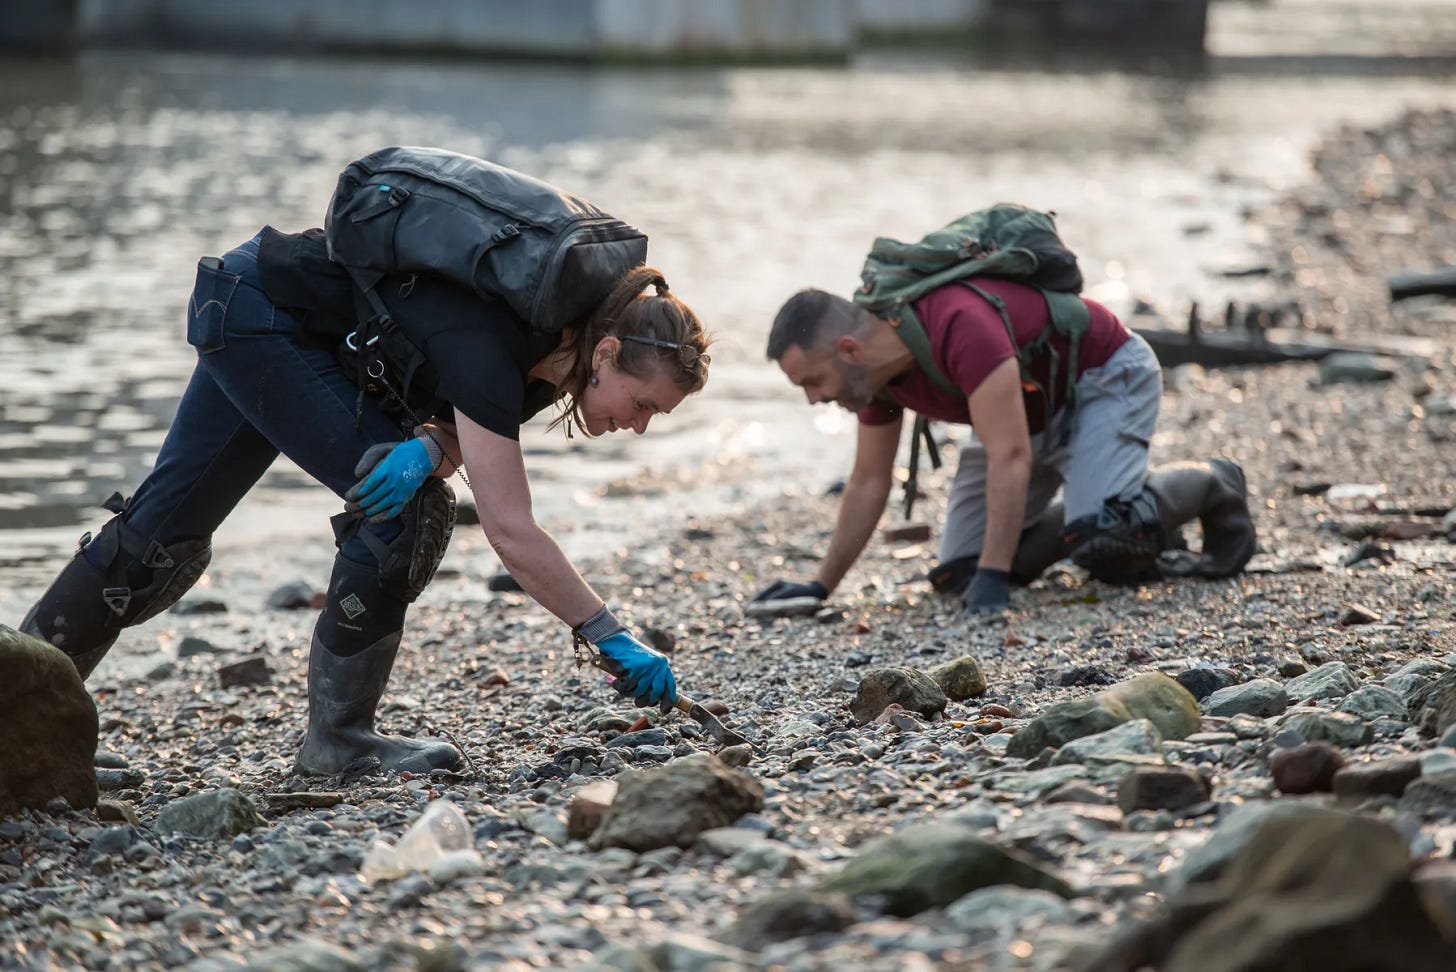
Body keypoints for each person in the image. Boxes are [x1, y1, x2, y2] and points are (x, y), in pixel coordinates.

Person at [20, 182, 711, 777]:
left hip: (252, 300)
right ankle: (339, 744)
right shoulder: (507, 344)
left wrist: (426, 447)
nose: (639, 425)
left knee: (161, 533)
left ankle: (23, 726)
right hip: (261, 317)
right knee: (406, 518)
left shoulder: (547, 352)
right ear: (609, 351)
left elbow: (451, 435)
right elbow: (510, 529)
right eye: (643, 403)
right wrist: (608, 632)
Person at [751, 282, 1254, 615]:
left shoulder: (958, 325)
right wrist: (820, 586)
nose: (814, 398)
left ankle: (1213, 481)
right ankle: (1103, 507)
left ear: (849, 350)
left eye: (813, 381)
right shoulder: (873, 379)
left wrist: (995, 578)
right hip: (1024, 416)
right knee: (959, 573)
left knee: (1106, 541)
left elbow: (1010, 456)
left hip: (1102, 379)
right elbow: (868, 481)